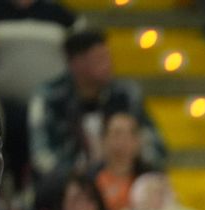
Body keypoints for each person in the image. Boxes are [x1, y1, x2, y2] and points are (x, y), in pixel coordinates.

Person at [28, 29, 165, 193]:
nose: (109, 64)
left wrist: (135, 167)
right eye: (100, 58)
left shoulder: (125, 94)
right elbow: (42, 156)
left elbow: (154, 144)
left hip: (126, 180)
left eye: (108, 56)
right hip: (69, 186)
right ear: (77, 63)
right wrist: (77, 177)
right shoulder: (49, 98)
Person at [91, 109, 153, 210]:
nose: (122, 141)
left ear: (138, 141)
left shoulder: (152, 180)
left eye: (129, 135)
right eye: (116, 134)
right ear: (103, 140)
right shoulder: (89, 180)